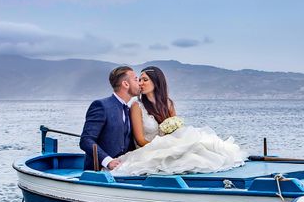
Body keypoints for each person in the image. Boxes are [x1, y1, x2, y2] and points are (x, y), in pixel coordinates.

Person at [112, 65, 248, 176]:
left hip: (169, 144)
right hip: (148, 148)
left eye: (145, 80)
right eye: (139, 80)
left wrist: (172, 145)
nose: (140, 83)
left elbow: (177, 132)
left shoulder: (168, 104)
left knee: (199, 147)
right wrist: (162, 148)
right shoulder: (137, 106)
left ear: (156, 81)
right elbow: (140, 140)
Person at [79, 66, 141, 170]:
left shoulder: (130, 109)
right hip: (99, 171)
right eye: (136, 79)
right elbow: (86, 140)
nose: (139, 83)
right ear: (125, 84)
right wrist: (108, 161)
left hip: (124, 169)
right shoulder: (101, 106)